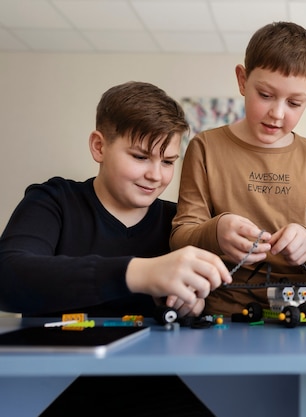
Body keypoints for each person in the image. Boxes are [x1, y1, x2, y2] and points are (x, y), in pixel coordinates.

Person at [0, 81, 232, 417]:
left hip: (157, 390)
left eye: (168, 162)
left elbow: (208, 311)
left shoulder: (179, 223)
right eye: (140, 157)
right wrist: (138, 273)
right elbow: (8, 277)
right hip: (51, 390)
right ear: (99, 146)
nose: (156, 175)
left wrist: (194, 305)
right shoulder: (54, 201)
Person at [170, 21, 306, 317]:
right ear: (242, 79)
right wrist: (217, 230)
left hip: (303, 310)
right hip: (226, 308)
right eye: (265, 95)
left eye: (294, 102)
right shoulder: (205, 147)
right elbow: (180, 236)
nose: (277, 113)